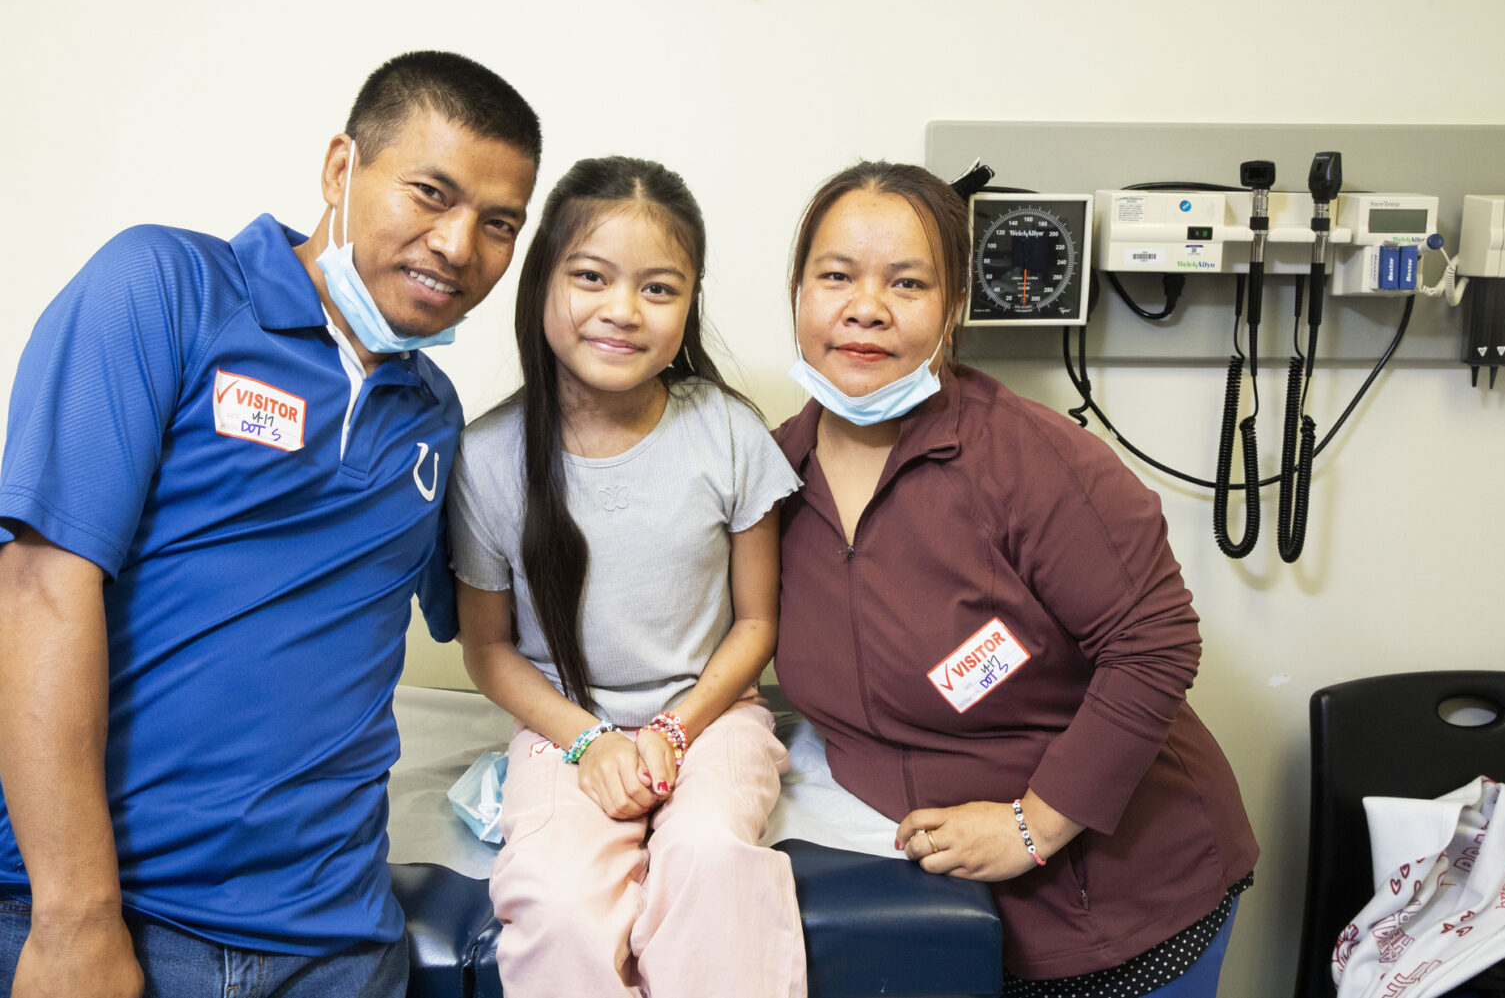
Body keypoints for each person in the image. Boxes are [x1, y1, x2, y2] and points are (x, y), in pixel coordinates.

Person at [0, 51, 540, 998]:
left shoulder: (436, 415)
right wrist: (76, 917)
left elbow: (508, 626)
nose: (460, 246)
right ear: (341, 167)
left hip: (336, 939)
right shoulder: (164, 287)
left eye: (499, 224)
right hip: (116, 914)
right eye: (430, 193)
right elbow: (38, 587)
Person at [771, 160, 1260, 998]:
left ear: (954, 306)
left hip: (1116, 902)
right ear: (800, 293)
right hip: (929, 912)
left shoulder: (1029, 462)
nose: (865, 307)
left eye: (908, 282)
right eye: (836, 276)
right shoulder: (772, 476)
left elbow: (1156, 643)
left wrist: (1035, 826)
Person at [448, 155, 806, 998]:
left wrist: (675, 730)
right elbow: (489, 651)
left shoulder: (727, 432)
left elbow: (758, 623)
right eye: (591, 277)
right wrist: (590, 739)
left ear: (689, 304)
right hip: (565, 727)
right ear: (543, 284)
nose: (622, 309)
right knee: (557, 899)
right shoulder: (487, 457)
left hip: (711, 718)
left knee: (711, 856)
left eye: (658, 288)